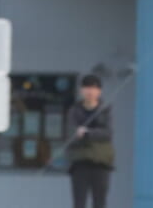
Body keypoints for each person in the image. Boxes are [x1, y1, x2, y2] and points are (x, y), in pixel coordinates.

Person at [66, 74, 114, 208]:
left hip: (101, 163)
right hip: (80, 163)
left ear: (99, 91)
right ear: (81, 90)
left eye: (93, 88)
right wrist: (77, 134)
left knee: (99, 202)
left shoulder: (105, 110)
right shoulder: (74, 111)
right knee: (79, 202)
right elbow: (70, 133)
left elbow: (107, 133)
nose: (90, 91)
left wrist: (88, 133)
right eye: (87, 87)